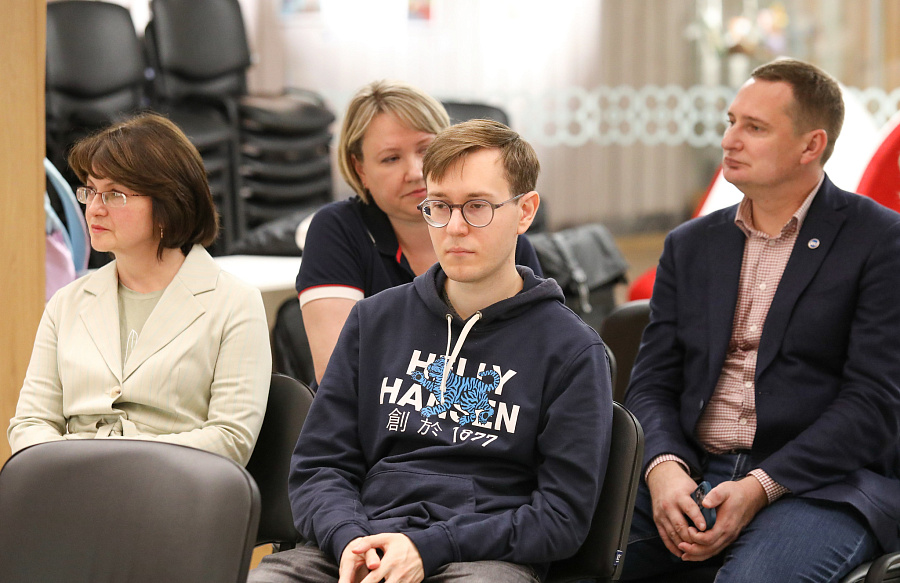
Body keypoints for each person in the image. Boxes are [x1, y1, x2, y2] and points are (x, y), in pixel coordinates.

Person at [250, 119, 611, 583]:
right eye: (439, 206)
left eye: (477, 206)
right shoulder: (373, 321)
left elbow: (561, 518)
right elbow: (320, 466)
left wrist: (430, 545)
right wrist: (348, 538)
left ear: (525, 211)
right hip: (357, 543)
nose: (454, 227)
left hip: (481, 556)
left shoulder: (572, 350)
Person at [621, 59, 900, 582]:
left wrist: (760, 486)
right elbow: (652, 383)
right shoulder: (690, 245)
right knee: (565, 553)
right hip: (690, 470)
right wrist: (663, 469)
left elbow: (873, 404)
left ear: (810, 146)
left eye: (754, 127)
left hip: (819, 485)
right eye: (732, 121)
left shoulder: (880, 241)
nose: (729, 140)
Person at [8, 113, 271, 465]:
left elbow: (230, 438)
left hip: (174, 488)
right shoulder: (66, 302)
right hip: (70, 485)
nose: (94, 209)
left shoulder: (234, 303)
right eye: (90, 191)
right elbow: (30, 423)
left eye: (114, 194)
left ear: (168, 203)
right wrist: (69, 471)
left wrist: (119, 464)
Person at [296, 80, 542, 382]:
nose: (415, 172)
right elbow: (338, 373)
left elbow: (535, 360)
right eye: (391, 158)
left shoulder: (498, 233)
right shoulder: (337, 229)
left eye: (426, 150)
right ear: (360, 169)